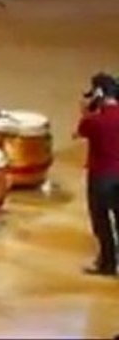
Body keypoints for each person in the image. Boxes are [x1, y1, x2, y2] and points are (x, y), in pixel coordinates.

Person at [75, 73, 119, 276]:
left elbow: (79, 131)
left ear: (99, 93)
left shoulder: (95, 121)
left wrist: (85, 110)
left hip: (101, 177)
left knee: (102, 223)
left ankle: (107, 264)